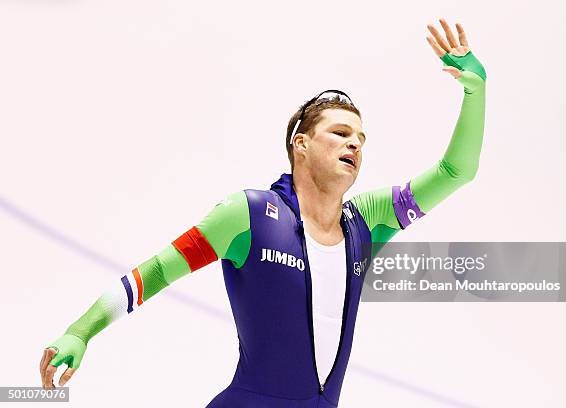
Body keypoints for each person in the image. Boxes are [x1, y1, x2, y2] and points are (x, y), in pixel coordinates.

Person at [40, 18, 487, 407]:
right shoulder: (249, 215)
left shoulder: (365, 222)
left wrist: (475, 89)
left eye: (362, 138)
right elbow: (156, 271)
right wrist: (80, 332)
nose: (356, 143)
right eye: (341, 132)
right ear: (302, 144)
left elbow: (456, 172)